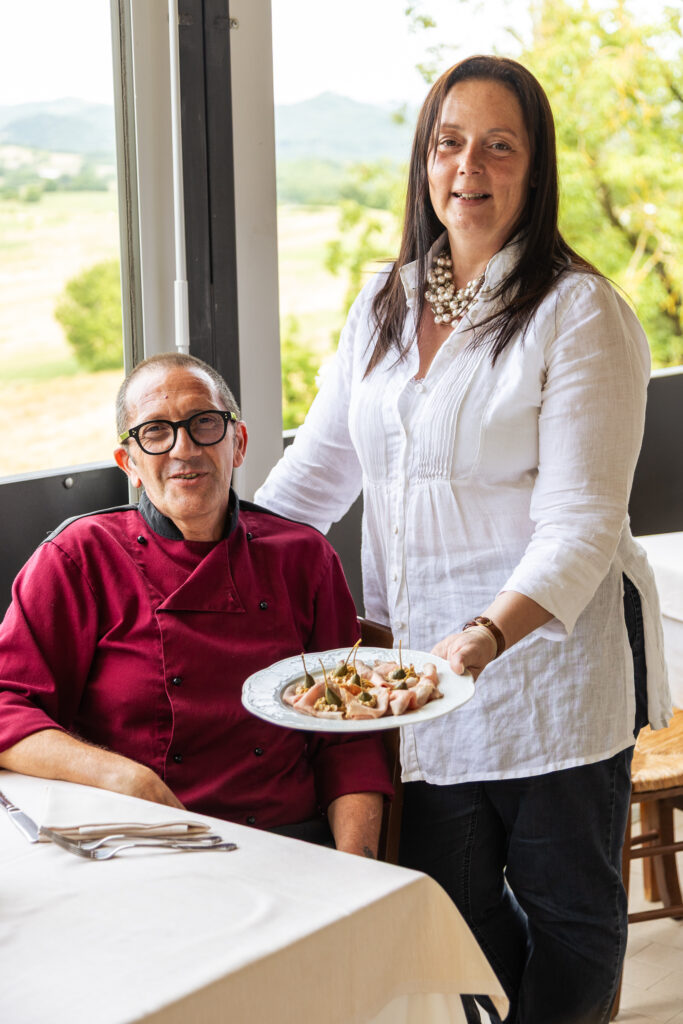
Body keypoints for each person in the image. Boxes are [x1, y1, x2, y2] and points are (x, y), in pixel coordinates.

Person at [255, 55, 672, 1022]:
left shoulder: (578, 313)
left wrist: (480, 640)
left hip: (546, 672)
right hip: (419, 680)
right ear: (423, 159)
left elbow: (580, 527)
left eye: (497, 145)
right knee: (454, 909)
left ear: (534, 170)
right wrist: (224, 562)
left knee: (570, 917)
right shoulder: (380, 306)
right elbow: (314, 475)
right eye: (448, 142)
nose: (466, 166)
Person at [0, 353, 392, 856]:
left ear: (239, 442)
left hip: (292, 846)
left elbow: (349, 734)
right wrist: (122, 777)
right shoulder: (79, 556)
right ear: (130, 463)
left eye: (204, 423)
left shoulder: (303, 557)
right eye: (156, 432)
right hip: (141, 844)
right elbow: (8, 705)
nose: (183, 448)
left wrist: (354, 872)